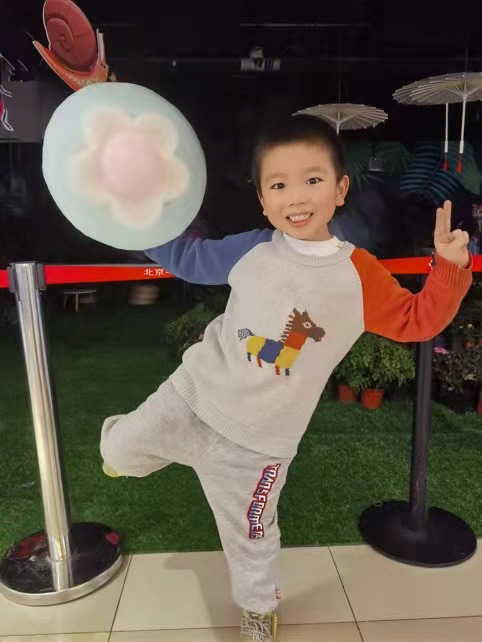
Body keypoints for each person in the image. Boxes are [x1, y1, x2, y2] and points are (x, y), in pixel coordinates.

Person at [100, 115, 473, 641]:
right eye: (278, 185)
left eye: (312, 180)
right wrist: (135, 220)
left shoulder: (359, 273)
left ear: (340, 189)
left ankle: (258, 612)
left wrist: (450, 266)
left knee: (251, 539)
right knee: (117, 453)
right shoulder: (252, 248)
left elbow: (418, 321)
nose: (296, 197)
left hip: (260, 446)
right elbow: (188, 256)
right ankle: (126, 445)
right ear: (262, 199)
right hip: (193, 398)